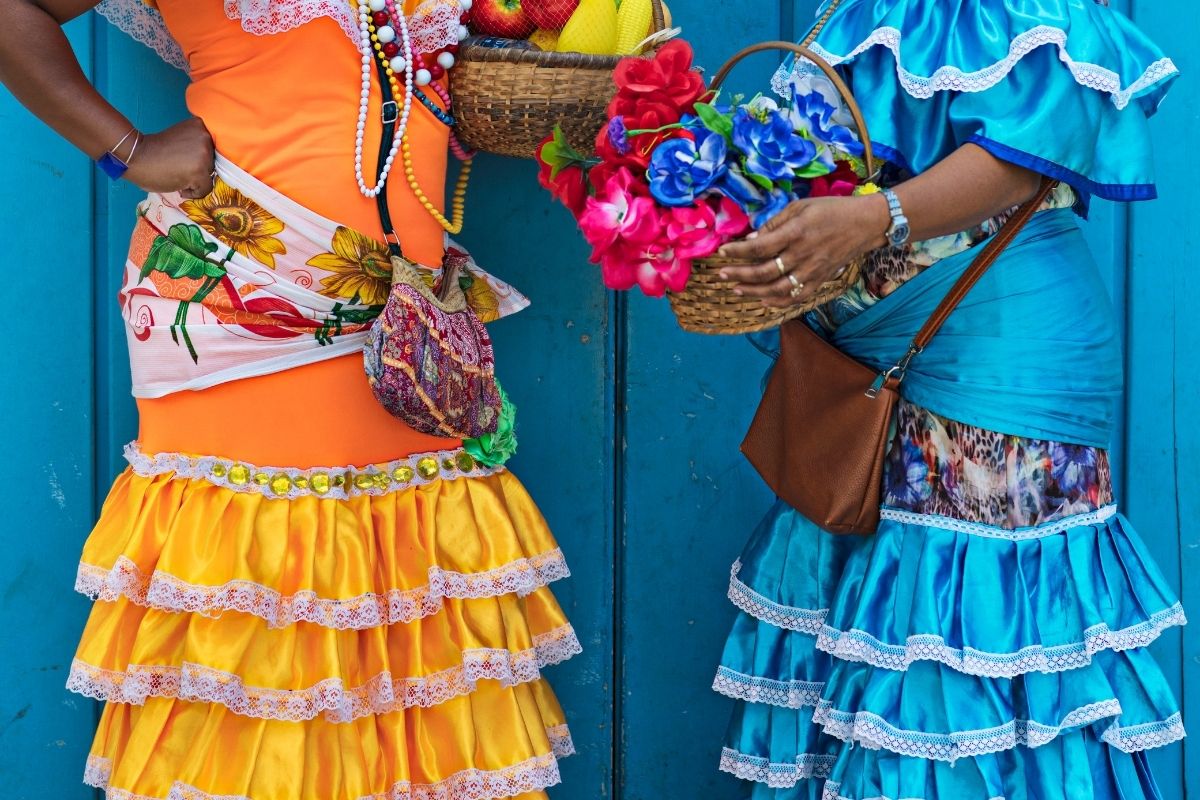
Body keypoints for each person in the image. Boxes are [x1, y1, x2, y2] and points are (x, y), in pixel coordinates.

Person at [0, 2, 580, 798]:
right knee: (263, 599)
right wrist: (127, 151)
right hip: (243, 302)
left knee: (402, 605)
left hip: (403, 325)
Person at [711, 0, 1185, 797]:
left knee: (971, 636)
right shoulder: (855, 11)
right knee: (879, 640)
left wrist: (875, 218)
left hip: (995, 352)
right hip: (861, 367)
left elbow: (1032, 144)